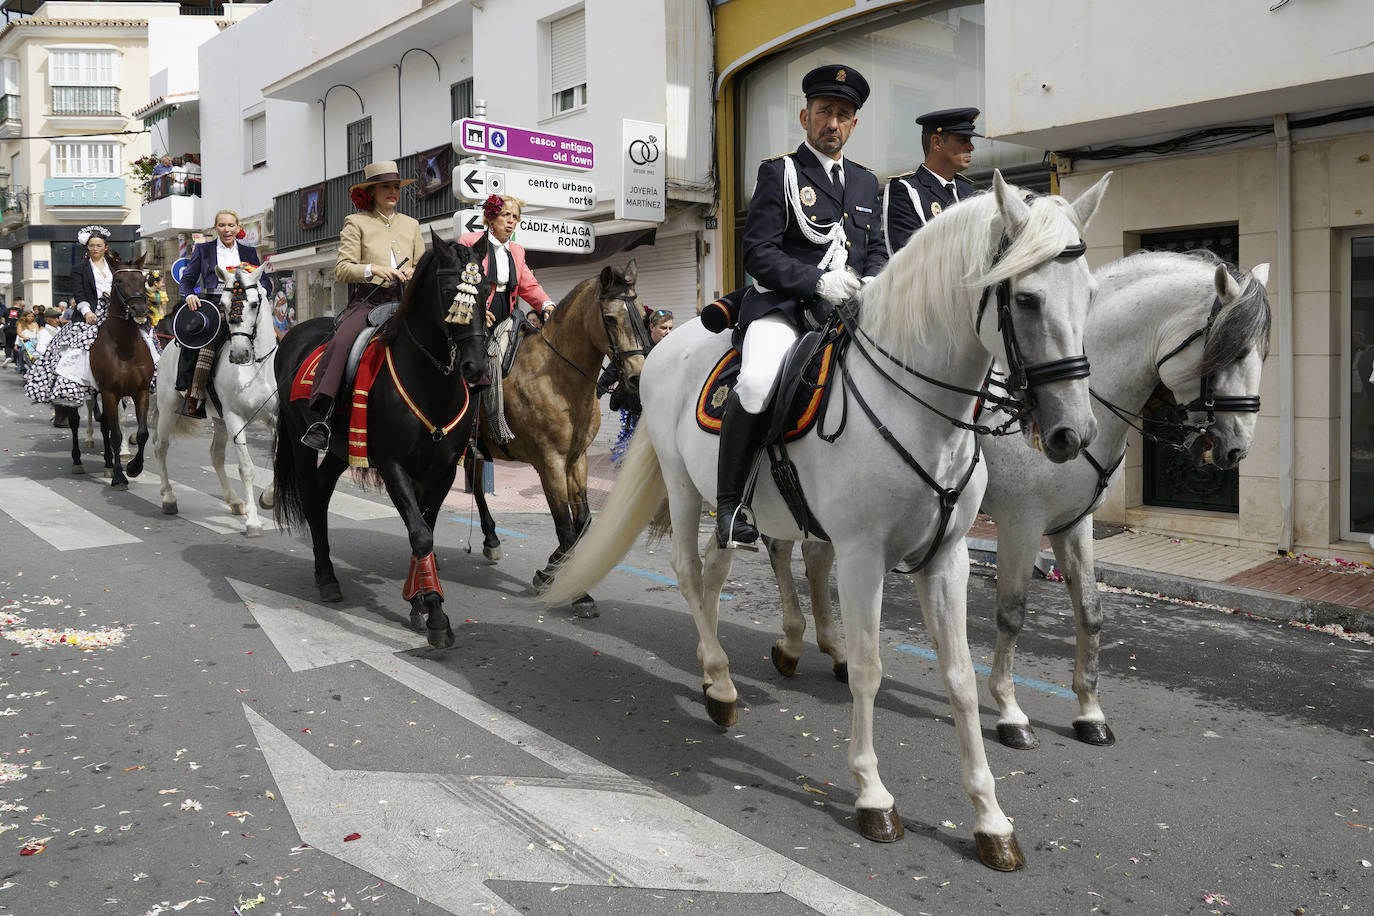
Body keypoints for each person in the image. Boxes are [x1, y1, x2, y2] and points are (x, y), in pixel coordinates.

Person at [715, 63, 887, 549]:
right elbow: (759, 253)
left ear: (854, 124)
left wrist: (873, 277)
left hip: (850, 310)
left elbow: (874, 247)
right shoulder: (780, 172)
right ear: (804, 116)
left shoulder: (865, 182)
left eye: (844, 114)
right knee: (755, 381)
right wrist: (816, 281)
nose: (833, 122)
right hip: (785, 308)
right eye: (825, 112)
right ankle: (731, 505)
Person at [301, 160, 425, 449]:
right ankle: (325, 416)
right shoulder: (356, 222)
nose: (393, 191)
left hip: (407, 300)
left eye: (396, 186)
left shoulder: (412, 225)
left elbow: (420, 264)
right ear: (371, 191)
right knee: (343, 341)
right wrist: (373, 269)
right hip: (370, 301)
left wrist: (413, 273)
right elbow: (342, 269)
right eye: (386, 186)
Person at [24, 226, 156, 413]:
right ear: (87, 248)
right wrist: (87, 312)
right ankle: (73, 386)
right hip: (90, 314)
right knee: (75, 348)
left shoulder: (115, 268)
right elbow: (79, 293)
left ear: (105, 247)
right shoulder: (80, 269)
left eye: (98, 245)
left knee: (148, 338)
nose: (95, 248)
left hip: (117, 311)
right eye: (92, 245)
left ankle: (153, 374)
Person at [174, 209, 261, 418]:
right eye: (222, 225)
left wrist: (263, 290)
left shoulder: (249, 252)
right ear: (215, 228)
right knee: (207, 344)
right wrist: (189, 295)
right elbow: (187, 281)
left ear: (238, 227)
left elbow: (263, 280)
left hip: (244, 305)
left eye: (231, 225)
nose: (227, 229)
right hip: (214, 305)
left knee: (272, 336)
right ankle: (194, 396)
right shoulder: (203, 250)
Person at [882, 107, 982, 255]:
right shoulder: (907, 190)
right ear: (937, 143)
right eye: (963, 140)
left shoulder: (969, 191)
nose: (971, 147)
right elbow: (907, 258)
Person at [458, 193, 556, 328]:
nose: (511, 220)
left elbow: (529, 286)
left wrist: (547, 304)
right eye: (505, 215)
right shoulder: (469, 241)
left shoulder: (517, 250)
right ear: (491, 218)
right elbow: (459, 282)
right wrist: (476, 310)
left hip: (506, 311)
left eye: (515, 217)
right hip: (475, 310)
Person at [12, 306, 38, 374]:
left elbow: (38, 334)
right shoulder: (21, 324)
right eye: (29, 316)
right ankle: (22, 369)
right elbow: (19, 333)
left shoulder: (35, 324)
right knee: (23, 357)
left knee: (33, 357)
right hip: (24, 342)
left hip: (34, 342)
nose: (30, 318)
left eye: (32, 316)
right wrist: (24, 338)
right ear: (25, 316)